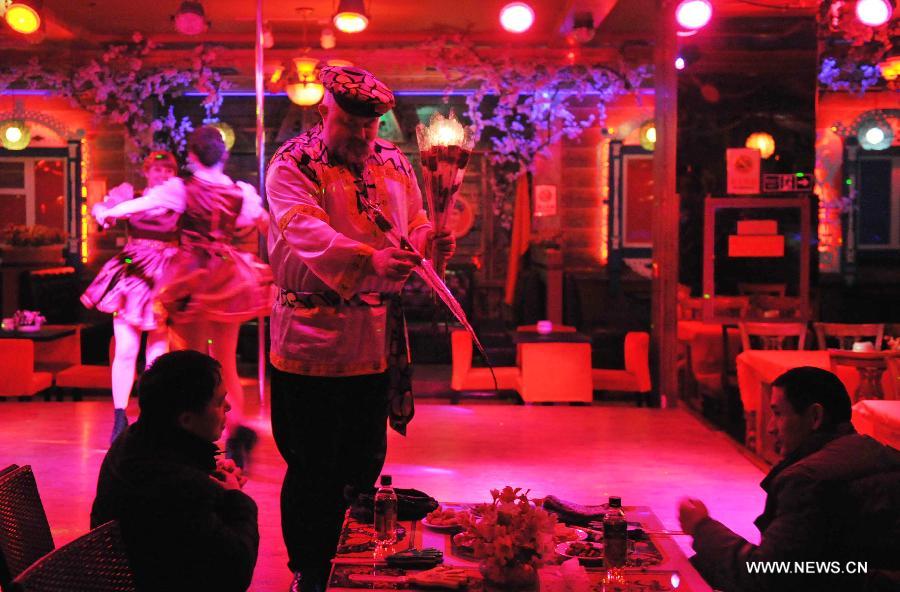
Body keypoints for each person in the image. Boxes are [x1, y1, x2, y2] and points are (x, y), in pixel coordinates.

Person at [265, 65, 455, 592]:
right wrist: (371, 261)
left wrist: (429, 241)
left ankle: (353, 566)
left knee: (364, 459)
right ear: (325, 109)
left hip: (372, 338)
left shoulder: (392, 159)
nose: (363, 137)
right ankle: (309, 570)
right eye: (352, 125)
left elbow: (414, 216)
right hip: (309, 337)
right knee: (310, 464)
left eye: (371, 127)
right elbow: (305, 229)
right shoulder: (293, 162)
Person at [96, 127, 273, 468]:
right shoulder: (240, 191)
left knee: (190, 362)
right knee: (225, 361)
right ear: (224, 155)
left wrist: (108, 212)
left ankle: (190, 437)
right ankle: (236, 432)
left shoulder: (183, 188)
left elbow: (146, 203)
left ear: (192, 156)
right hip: (226, 273)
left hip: (193, 275)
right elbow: (261, 220)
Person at [678, 366, 900, 592]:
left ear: (815, 416)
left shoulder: (806, 479)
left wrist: (701, 527)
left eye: (778, 414)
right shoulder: (886, 456)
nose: (770, 428)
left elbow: (766, 576)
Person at [91, 350, 259, 592]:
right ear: (186, 420)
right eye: (219, 401)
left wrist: (209, 478)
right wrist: (236, 499)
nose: (229, 407)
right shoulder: (179, 485)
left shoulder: (134, 440)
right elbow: (234, 573)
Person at [82, 151, 180, 444]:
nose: (162, 175)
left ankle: (153, 414)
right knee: (125, 348)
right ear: (147, 172)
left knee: (158, 352)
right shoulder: (131, 196)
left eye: (167, 170)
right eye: (157, 169)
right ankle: (120, 416)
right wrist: (102, 211)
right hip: (133, 274)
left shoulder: (177, 201)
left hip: (165, 277)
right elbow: (103, 210)